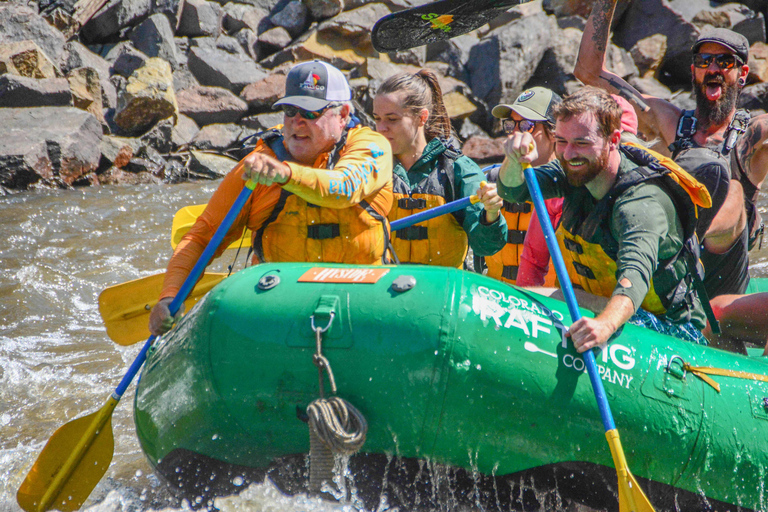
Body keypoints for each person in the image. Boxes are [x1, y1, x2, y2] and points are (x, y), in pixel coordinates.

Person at [149, 60, 394, 335]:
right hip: (281, 306)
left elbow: (344, 188)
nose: (297, 122)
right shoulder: (258, 167)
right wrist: (170, 294)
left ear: (343, 114)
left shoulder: (371, 147)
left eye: (311, 112)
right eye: (290, 111)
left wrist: (285, 174)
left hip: (364, 299)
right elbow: (203, 236)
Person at [575, 2, 768, 300]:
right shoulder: (669, 121)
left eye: (725, 62)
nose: (713, 69)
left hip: (722, 274)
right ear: (693, 71)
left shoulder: (756, 134)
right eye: (704, 61)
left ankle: (679, 241)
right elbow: (588, 72)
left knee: (729, 190)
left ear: (742, 73)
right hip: (667, 256)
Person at [497, 87, 712, 352]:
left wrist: (603, 326)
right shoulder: (573, 169)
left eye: (582, 143)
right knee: (530, 297)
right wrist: (513, 161)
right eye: (562, 141)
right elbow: (512, 190)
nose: (568, 154)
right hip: (609, 306)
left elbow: (635, 277)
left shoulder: (639, 204)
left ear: (614, 140)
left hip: (672, 334)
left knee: (547, 297)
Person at [372, 69, 506, 267]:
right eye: (377, 118)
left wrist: (491, 213)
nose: (381, 128)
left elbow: (485, 247)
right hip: (384, 288)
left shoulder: (458, 170)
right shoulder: (368, 167)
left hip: (441, 291)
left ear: (421, 118)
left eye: (392, 119)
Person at [514, 93, 639, 287]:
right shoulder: (559, 188)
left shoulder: (644, 195)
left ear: (614, 141)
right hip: (570, 304)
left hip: (625, 308)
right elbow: (532, 260)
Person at [482, 87, 562, 285]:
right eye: (511, 124)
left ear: (554, 133)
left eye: (527, 125)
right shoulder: (490, 179)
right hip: (497, 296)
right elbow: (482, 247)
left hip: (550, 302)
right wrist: (489, 217)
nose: (516, 133)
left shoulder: (568, 187)